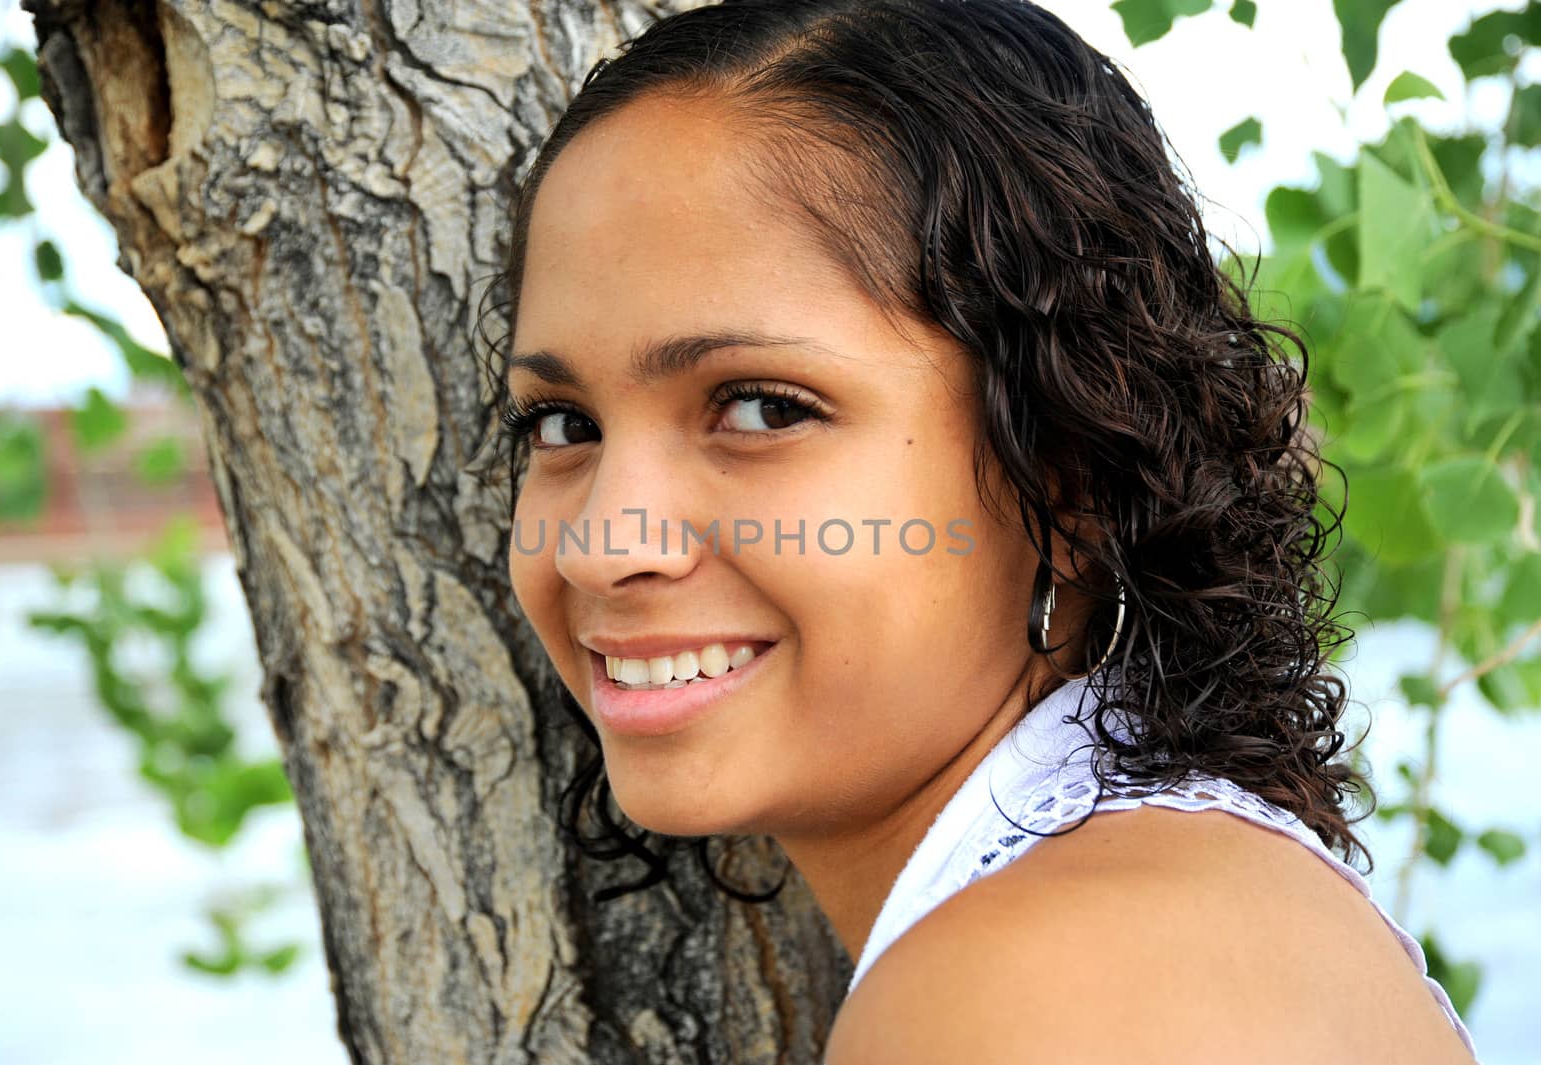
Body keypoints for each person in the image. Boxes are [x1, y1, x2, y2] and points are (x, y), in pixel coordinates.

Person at [471, 0, 1481, 1060]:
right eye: (562, 424)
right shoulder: (1171, 906)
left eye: (763, 407)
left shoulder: (1044, 991)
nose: (600, 542)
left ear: (1073, 468)